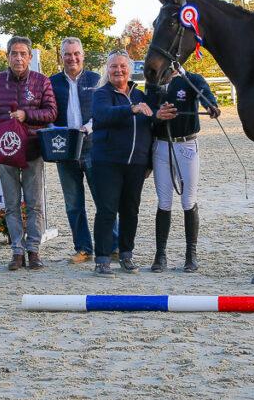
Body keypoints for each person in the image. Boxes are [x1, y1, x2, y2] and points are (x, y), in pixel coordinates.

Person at [90, 51, 176, 276]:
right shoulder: (101, 94)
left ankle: (126, 255)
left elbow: (151, 122)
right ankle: (102, 259)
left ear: (129, 70)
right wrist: (131, 109)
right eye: (113, 67)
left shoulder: (140, 94)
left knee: (131, 211)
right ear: (107, 71)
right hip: (107, 162)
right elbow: (104, 115)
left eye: (122, 67)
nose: (118, 70)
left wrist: (159, 115)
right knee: (107, 210)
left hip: (136, 164)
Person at [0, 36, 56, 271]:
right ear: (7, 56)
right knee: (12, 205)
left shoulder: (41, 81)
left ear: (30, 57)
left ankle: (34, 250)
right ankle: (17, 251)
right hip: (5, 153)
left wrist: (27, 115)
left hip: (33, 151)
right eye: (14, 53)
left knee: (34, 204)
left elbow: (51, 112)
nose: (18, 58)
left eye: (23, 53)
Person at [49, 37, 117, 264]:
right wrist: (55, 130)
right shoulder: (53, 83)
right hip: (65, 150)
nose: (72, 58)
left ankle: (112, 244)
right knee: (73, 203)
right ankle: (83, 248)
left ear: (83, 55)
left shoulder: (96, 80)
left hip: (93, 148)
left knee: (103, 200)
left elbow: (103, 111)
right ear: (62, 56)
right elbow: (48, 112)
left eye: (76, 53)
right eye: (67, 54)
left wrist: (86, 129)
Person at [146, 69, 220, 273]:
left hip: (186, 145)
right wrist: (158, 115)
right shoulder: (152, 84)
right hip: (161, 146)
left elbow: (204, 92)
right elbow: (149, 116)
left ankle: (191, 254)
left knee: (188, 200)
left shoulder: (191, 79)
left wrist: (210, 105)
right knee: (164, 202)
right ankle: (160, 255)